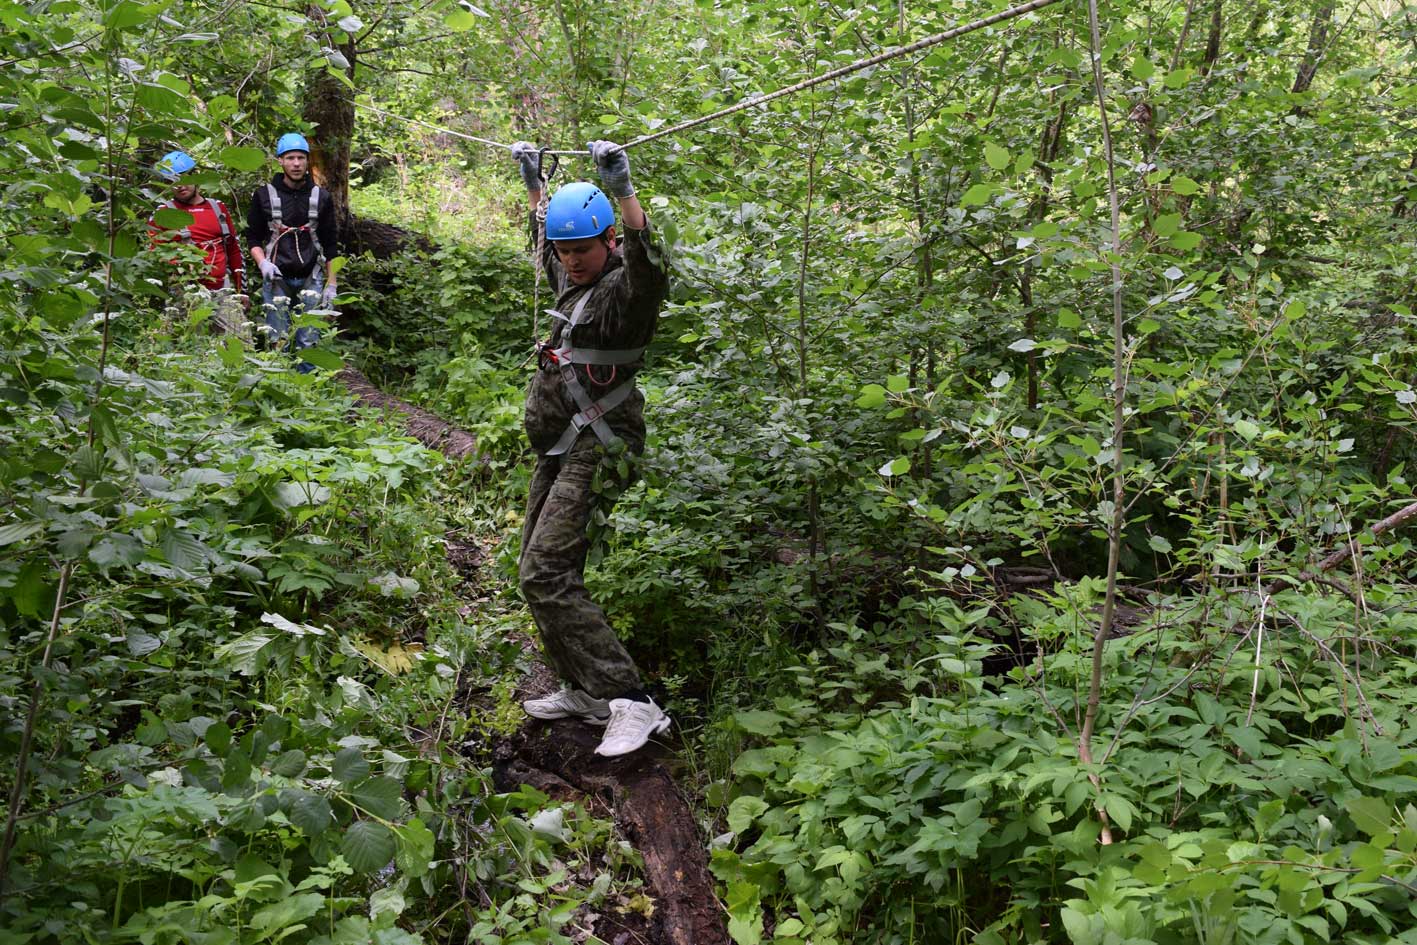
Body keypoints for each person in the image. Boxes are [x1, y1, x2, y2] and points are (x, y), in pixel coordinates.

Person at [510, 139, 671, 758]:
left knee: (546, 571)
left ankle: (632, 701)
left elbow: (649, 262)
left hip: (600, 443)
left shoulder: (623, 296)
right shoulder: (570, 275)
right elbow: (542, 242)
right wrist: (535, 189)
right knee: (535, 569)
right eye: (565, 250)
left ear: (610, 243)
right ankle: (587, 690)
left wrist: (625, 193)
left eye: (584, 249)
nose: (572, 261)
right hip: (560, 443)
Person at [245, 133, 338, 371]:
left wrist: (332, 284)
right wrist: (262, 263)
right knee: (279, 339)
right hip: (276, 276)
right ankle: (280, 385)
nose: (296, 163)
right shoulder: (264, 195)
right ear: (280, 161)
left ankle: (307, 389)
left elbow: (330, 244)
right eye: (290, 158)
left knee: (309, 339)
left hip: (311, 275)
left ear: (308, 162)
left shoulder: (321, 197)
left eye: (300, 158)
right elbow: (253, 237)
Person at [148, 150, 249, 336]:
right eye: (172, 181)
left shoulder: (217, 208)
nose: (179, 186)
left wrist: (241, 290)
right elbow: (154, 252)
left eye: (183, 178)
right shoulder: (163, 213)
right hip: (184, 291)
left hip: (221, 288)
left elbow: (234, 249)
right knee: (181, 345)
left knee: (241, 343)